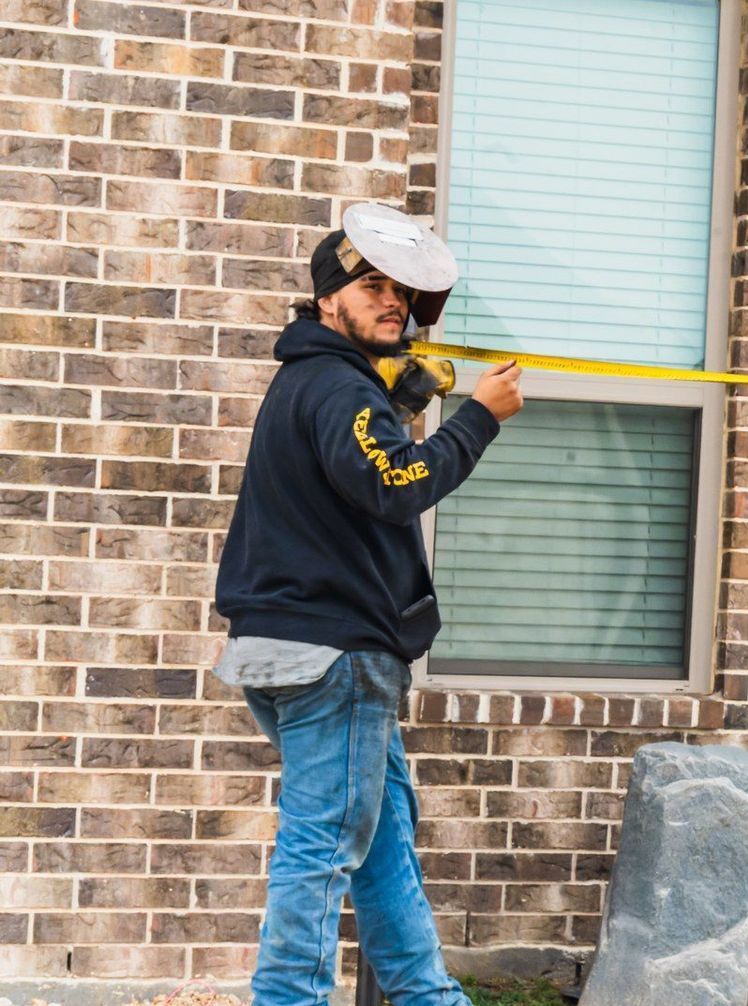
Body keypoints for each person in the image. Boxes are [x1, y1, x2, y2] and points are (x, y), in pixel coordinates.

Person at [214, 203, 523, 1006]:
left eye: (401, 291)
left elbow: (356, 474)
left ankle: (430, 998)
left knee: (383, 847)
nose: (393, 301)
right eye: (371, 286)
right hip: (336, 656)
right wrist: (478, 420)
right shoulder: (337, 385)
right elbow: (397, 484)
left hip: (286, 646)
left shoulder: (313, 382)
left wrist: (404, 410)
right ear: (328, 300)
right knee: (319, 850)